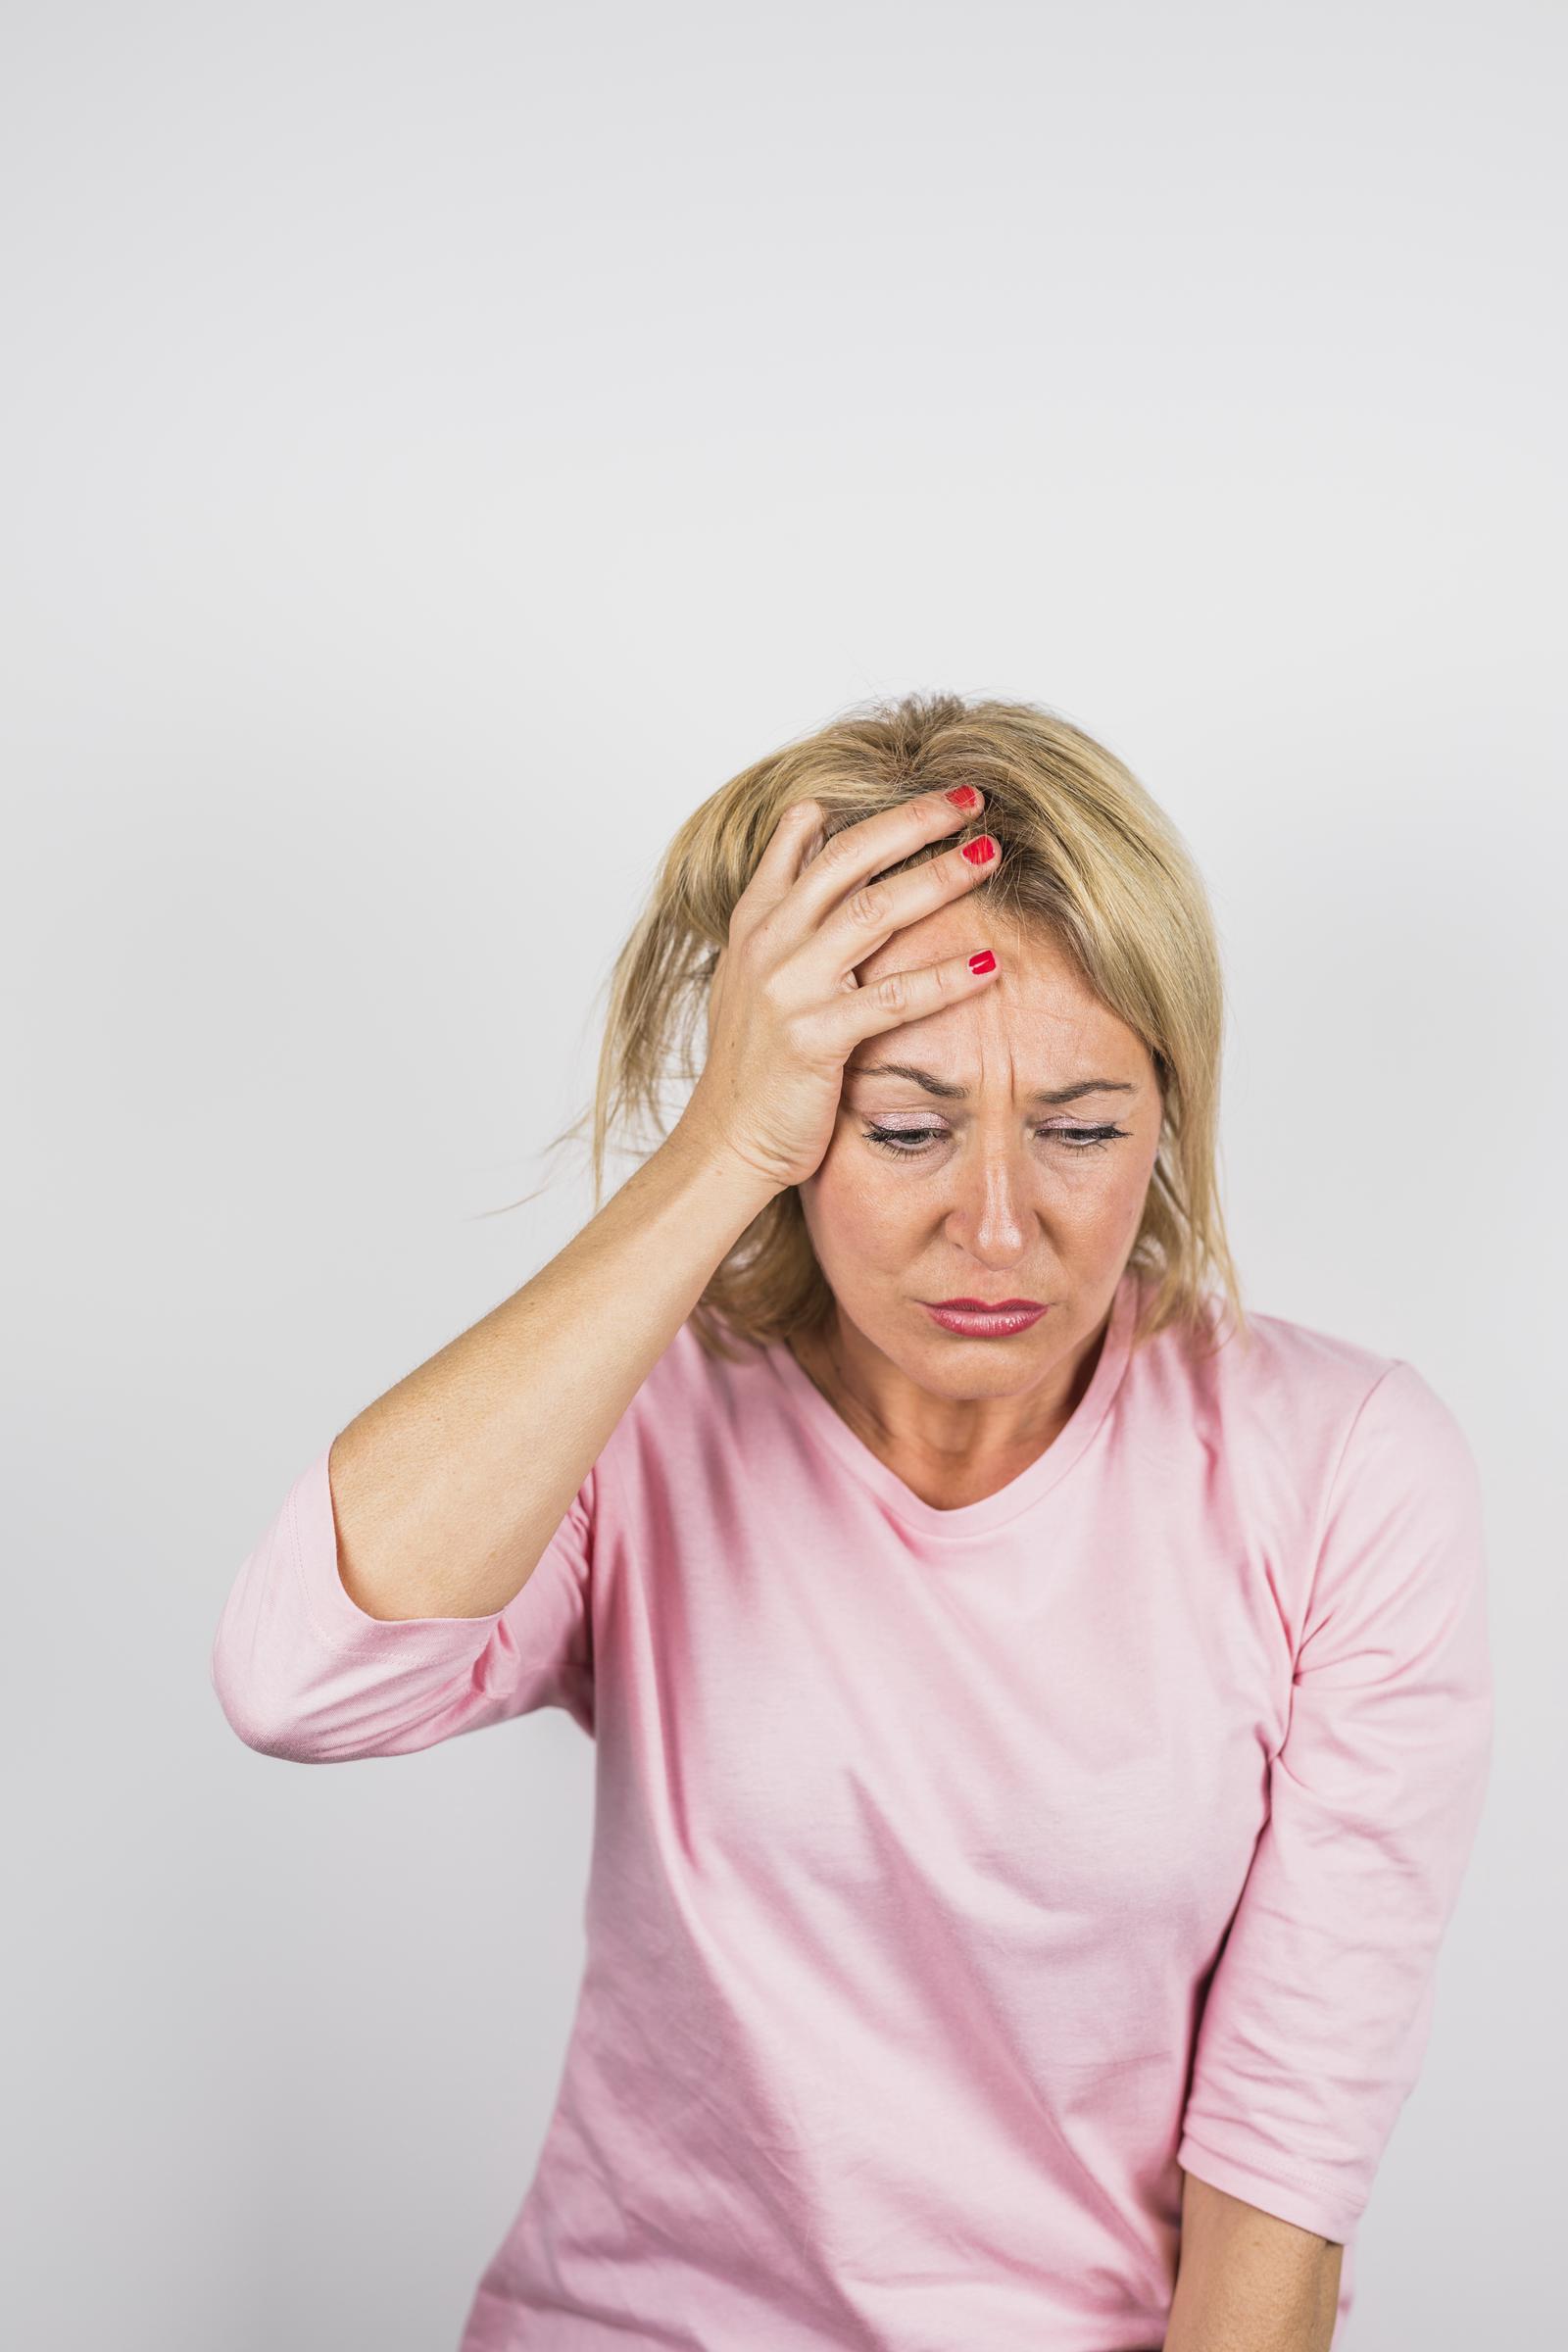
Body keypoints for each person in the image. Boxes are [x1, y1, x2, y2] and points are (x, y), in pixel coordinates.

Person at [209, 691, 1494, 2352]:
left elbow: (1281, 2180)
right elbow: (299, 1681)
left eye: (1085, 1127)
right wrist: (717, 1149)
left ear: (1170, 1110)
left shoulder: (1348, 1471)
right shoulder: (646, 1411)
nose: (1000, 1221)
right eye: (905, 1125)